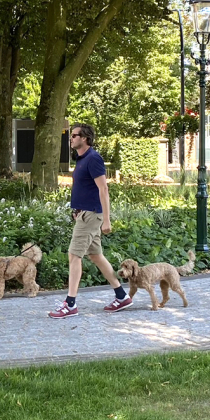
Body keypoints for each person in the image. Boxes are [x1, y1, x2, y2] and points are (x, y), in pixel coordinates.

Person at [49, 123, 132, 318]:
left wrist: (107, 220)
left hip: (92, 215)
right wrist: (76, 209)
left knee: (74, 255)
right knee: (95, 256)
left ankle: (70, 304)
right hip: (84, 213)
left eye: (75, 135)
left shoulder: (94, 158)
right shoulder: (81, 158)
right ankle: (121, 296)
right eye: (71, 135)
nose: (71, 138)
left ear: (85, 138)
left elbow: (104, 189)